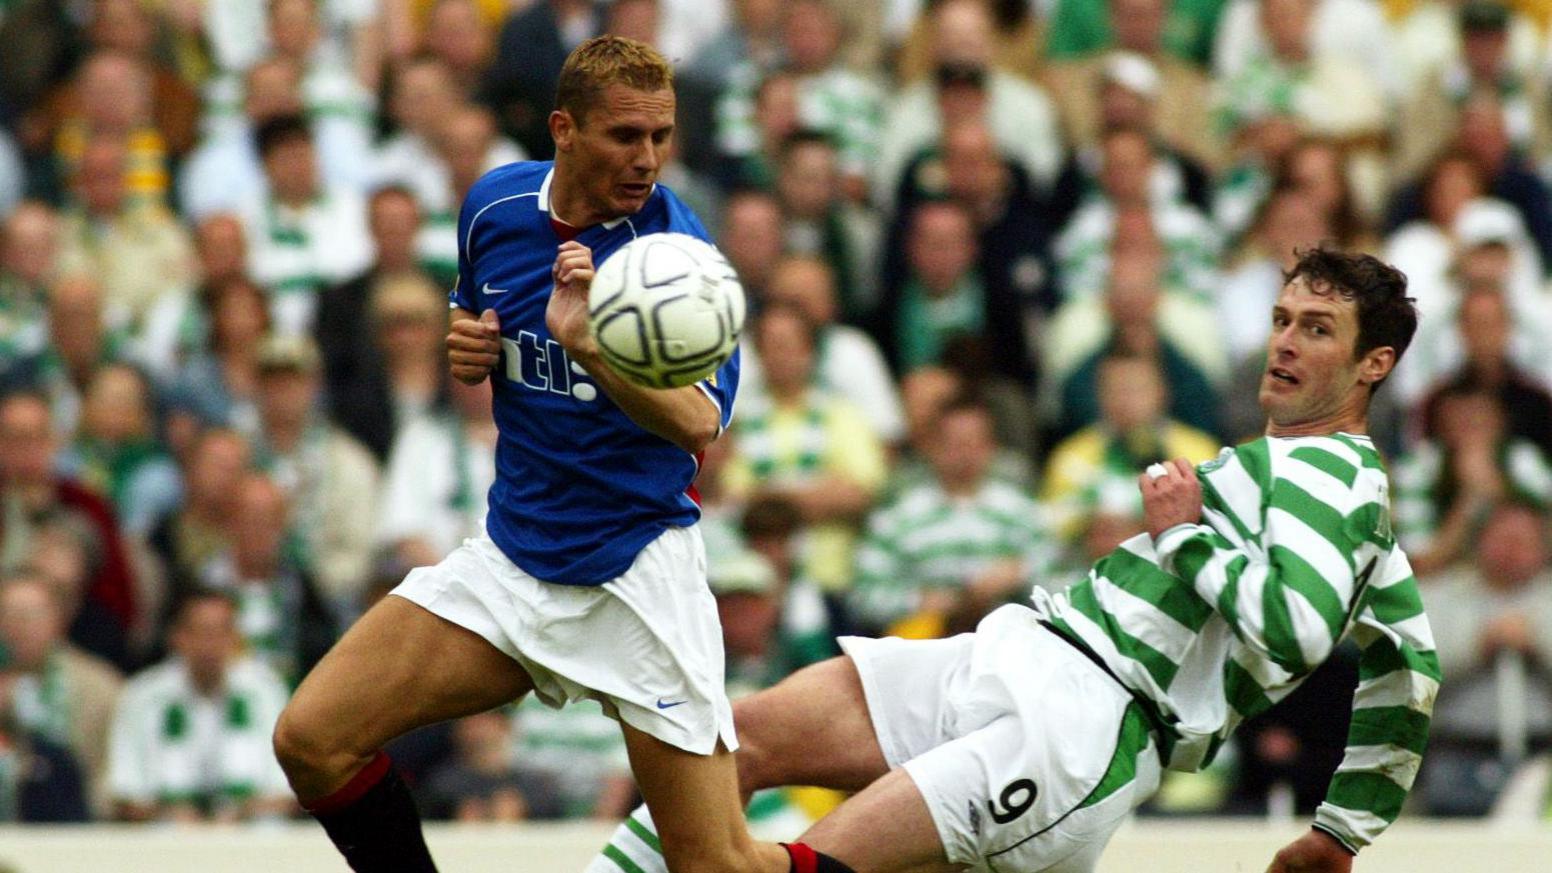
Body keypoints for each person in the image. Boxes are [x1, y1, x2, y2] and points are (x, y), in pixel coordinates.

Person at [591, 248, 1437, 873]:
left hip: (1086, 726)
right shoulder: (1328, 492)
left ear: (1375, 364)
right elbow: (1410, 667)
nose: (1285, 343)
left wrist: (1185, 534)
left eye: (1317, 330)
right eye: (1284, 319)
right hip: (1025, 649)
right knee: (736, 740)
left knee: (800, 862)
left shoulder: (1330, 471)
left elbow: (1299, 629)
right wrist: (1341, 830)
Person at [274, 36, 847, 873]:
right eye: (625, 135)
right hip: (515, 563)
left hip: (636, 576)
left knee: (716, 864)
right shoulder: (492, 207)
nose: (646, 157)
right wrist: (468, 346)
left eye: (661, 135)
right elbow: (478, 318)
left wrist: (593, 346)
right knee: (312, 739)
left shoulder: (678, 260)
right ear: (564, 129)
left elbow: (696, 423)